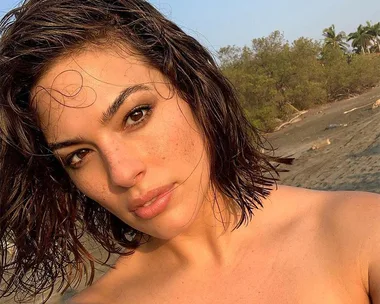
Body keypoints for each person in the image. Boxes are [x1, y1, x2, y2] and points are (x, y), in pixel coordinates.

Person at [0, 1, 379, 303]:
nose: (121, 173)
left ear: (191, 91)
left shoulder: (358, 233)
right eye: (78, 155)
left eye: (136, 114)